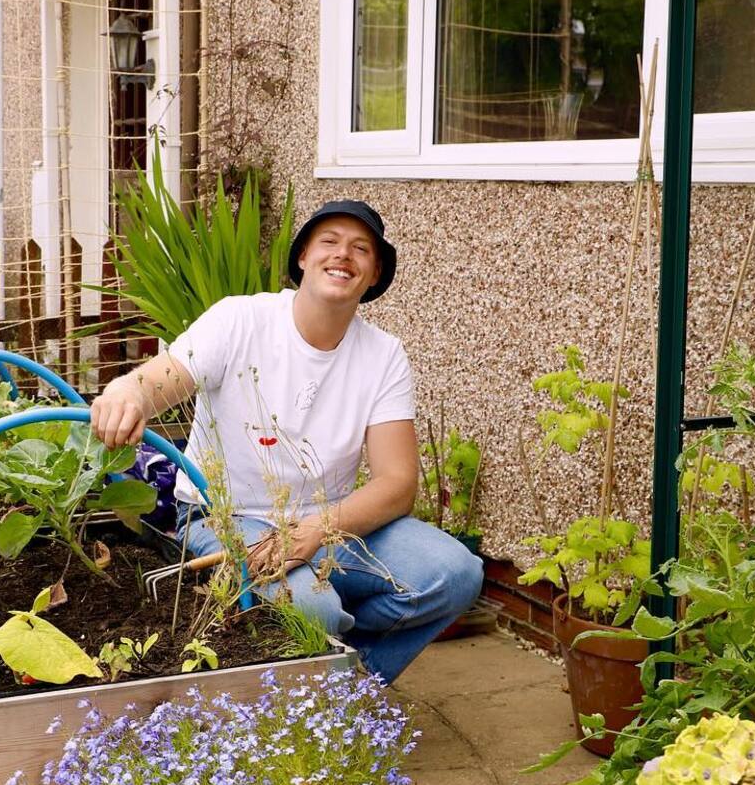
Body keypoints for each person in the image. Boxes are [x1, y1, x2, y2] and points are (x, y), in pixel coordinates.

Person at [90, 199, 483, 684]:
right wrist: (126, 390)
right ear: (303, 257)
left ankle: (347, 684)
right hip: (226, 517)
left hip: (331, 520)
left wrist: (317, 529)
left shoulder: (383, 355)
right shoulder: (240, 320)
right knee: (314, 609)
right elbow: (162, 379)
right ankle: (323, 686)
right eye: (330, 242)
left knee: (455, 573)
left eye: (361, 249)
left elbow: (398, 483)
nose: (344, 256)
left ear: (375, 272)